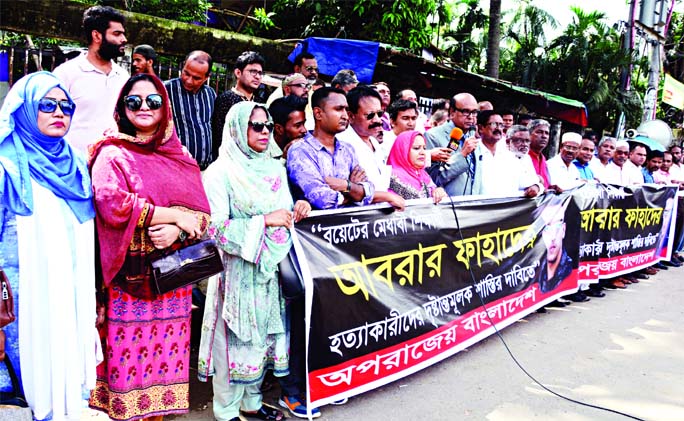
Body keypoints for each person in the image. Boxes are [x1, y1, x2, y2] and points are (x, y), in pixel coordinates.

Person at [89, 74, 210, 420]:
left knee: (164, 370)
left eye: (153, 101)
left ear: (165, 107)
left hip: (173, 283)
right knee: (127, 368)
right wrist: (170, 214)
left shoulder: (180, 154)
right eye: (134, 101)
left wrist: (176, 231)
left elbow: (203, 217)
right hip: (128, 284)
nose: (144, 107)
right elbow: (110, 201)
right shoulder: (111, 151)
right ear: (122, 108)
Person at [199, 101, 312, 421]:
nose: (264, 132)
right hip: (236, 272)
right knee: (232, 343)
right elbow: (215, 228)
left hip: (269, 269)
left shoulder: (274, 167)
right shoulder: (220, 172)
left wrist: (298, 208)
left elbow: (285, 215)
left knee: (262, 342)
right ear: (236, 129)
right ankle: (226, 411)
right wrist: (264, 222)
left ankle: (251, 403)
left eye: (267, 125)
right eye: (255, 126)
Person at [0, 71, 99, 421]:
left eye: (66, 106)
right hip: (24, 308)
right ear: (26, 108)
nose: (60, 112)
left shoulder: (75, 165)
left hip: (70, 302)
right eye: (47, 105)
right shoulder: (6, 167)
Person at [53, 5, 129, 152]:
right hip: (73, 164)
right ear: (97, 36)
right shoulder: (66, 73)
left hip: (111, 163)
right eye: (117, 34)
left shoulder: (123, 76)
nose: (123, 39)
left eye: (123, 34)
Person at [287, 87, 375, 209]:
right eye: (338, 109)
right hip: (317, 226)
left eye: (346, 109)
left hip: (351, 225)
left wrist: (345, 185)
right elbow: (322, 199)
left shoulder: (347, 149)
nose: (345, 116)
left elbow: (369, 192)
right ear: (318, 113)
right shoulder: (300, 151)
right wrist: (353, 190)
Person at [164, 50, 216, 169]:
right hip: (176, 167)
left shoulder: (210, 94)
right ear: (183, 67)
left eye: (196, 78)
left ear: (207, 77)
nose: (189, 80)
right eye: (186, 73)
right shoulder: (166, 90)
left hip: (205, 170)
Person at [425, 92, 482, 196]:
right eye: (465, 112)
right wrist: (462, 155)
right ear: (452, 112)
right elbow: (433, 179)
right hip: (448, 205)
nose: (471, 117)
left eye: (474, 112)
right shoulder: (433, 136)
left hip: (473, 204)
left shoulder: (473, 137)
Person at [213, 51, 266, 159]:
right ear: (238, 73)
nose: (257, 77)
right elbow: (219, 136)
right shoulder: (226, 99)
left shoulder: (259, 101)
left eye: (260, 73)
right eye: (253, 72)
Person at [477, 111, 540, 198]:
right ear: (481, 128)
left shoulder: (509, 156)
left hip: (505, 208)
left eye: (501, 125)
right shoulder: (472, 151)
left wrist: (535, 187)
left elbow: (527, 182)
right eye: (493, 124)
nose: (498, 128)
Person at [386, 131, 446, 203]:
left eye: (424, 148)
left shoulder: (423, 174)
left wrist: (438, 191)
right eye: (416, 148)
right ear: (403, 150)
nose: (423, 152)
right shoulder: (392, 176)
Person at [527, 119, 552, 189]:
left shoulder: (543, 158)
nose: (544, 136)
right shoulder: (523, 157)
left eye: (547, 133)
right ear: (529, 135)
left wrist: (552, 187)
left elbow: (544, 185)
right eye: (539, 132)